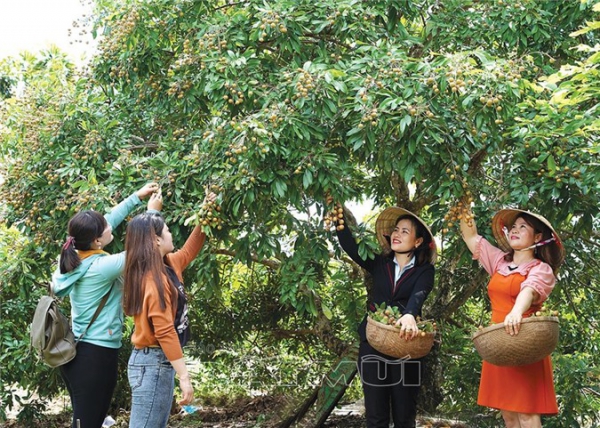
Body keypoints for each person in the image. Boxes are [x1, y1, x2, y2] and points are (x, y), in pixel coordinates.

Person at [51, 182, 161, 428]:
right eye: (106, 227)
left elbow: (107, 221)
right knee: (87, 424)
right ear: (97, 241)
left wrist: (136, 197)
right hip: (94, 357)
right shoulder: (103, 267)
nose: (111, 225)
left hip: (82, 353)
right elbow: (142, 250)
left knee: (93, 420)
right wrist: (153, 214)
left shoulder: (76, 255)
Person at [460, 207, 565, 428]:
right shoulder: (500, 262)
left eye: (523, 227)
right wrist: (463, 210)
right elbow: (471, 237)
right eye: (513, 227)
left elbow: (529, 290)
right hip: (499, 343)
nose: (515, 230)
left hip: (524, 342)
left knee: (527, 414)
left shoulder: (541, 269)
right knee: (508, 414)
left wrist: (516, 312)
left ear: (537, 237)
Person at [335, 206, 437, 428]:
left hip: (406, 343)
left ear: (418, 241)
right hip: (373, 343)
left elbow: (419, 293)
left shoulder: (425, 271)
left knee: (404, 414)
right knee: (376, 414)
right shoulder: (379, 263)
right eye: (396, 230)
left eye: (404, 231)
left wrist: (410, 314)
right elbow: (350, 246)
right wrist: (337, 217)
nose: (397, 235)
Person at [123, 191, 216, 428]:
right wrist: (185, 378)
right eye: (167, 230)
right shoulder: (153, 280)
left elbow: (188, 250)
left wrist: (206, 212)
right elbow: (164, 331)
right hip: (152, 364)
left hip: (157, 364)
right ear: (155, 240)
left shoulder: (168, 265)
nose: (171, 233)